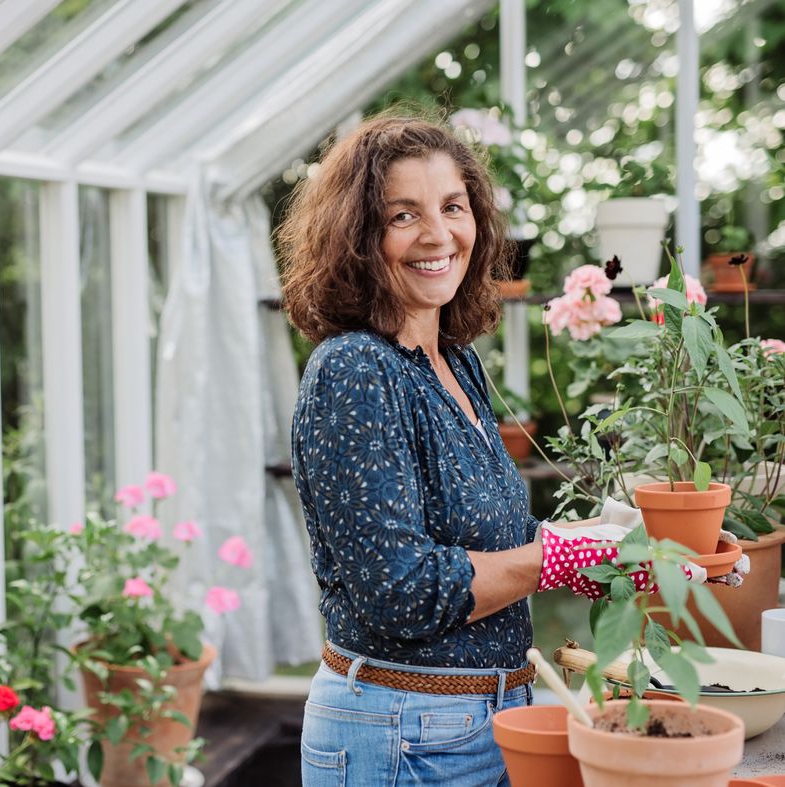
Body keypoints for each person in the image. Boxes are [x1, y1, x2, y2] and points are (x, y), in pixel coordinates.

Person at [278, 115, 725, 786]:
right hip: (401, 731)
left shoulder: (453, 361)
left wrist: (635, 548)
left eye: (452, 207)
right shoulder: (355, 370)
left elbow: (501, 542)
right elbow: (399, 592)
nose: (438, 234)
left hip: (481, 719)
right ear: (357, 237)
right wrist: (559, 558)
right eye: (403, 215)